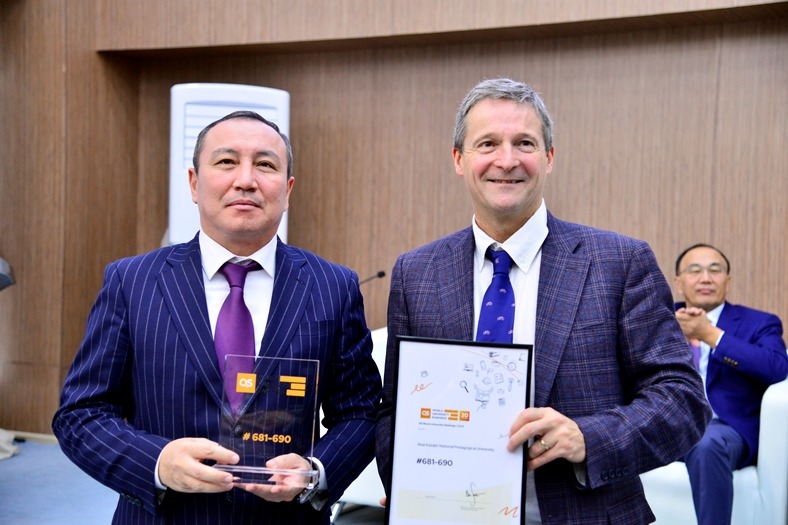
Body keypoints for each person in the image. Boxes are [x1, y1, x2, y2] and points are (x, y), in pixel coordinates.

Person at [375, 78, 711, 524]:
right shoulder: (416, 273)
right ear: (459, 159)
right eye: (488, 143)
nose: (507, 160)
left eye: (525, 143)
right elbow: (394, 410)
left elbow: (682, 400)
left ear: (549, 157)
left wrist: (587, 438)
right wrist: (406, 481)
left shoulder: (620, 262)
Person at [53, 111, 382, 524]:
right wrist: (156, 462)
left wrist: (315, 472)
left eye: (265, 165)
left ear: (287, 190)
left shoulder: (333, 286)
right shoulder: (131, 282)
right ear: (194, 183)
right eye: (226, 162)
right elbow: (81, 413)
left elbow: (361, 412)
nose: (245, 179)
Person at [673, 243, 788, 525]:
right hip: (666, 424)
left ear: (728, 280)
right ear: (678, 282)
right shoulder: (658, 320)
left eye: (715, 270)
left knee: (706, 443)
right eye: (695, 270)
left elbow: (777, 368)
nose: (705, 278)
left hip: (724, 429)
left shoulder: (759, 323)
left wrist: (712, 335)